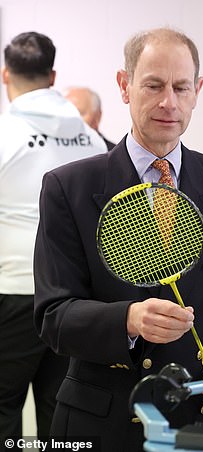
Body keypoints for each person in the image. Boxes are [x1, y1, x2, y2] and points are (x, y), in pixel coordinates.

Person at [33, 28, 203, 450]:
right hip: (107, 421)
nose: (169, 102)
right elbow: (54, 317)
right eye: (154, 85)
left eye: (181, 87)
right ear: (125, 86)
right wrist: (127, 319)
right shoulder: (68, 188)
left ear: (197, 91)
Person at [0, 32, 107, 443]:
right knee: (60, 406)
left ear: (6, 75)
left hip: (15, 290)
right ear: (53, 75)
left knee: (4, 404)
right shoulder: (91, 138)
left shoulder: (7, 133)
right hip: (73, 301)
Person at [65, 86, 116, 150]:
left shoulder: (117, 157)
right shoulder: (51, 153)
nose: (69, 120)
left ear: (97, 117)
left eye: (78, 114)